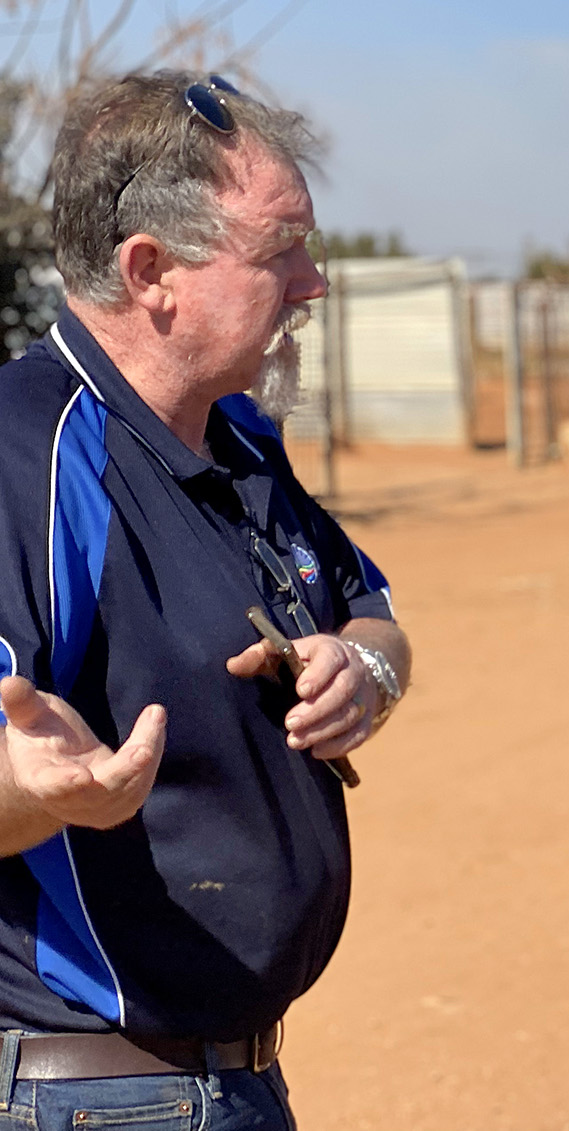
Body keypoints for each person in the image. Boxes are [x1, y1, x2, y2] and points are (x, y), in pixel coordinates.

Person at [0, 72, 410, 1126]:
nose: (313, 284)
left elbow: (374, 612)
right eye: (280, 252)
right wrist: (44, 791)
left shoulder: (239, 440)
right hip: (100, 1098)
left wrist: (363, 668)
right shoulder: (24, 458)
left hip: (230, 1082)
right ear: (152, 273)